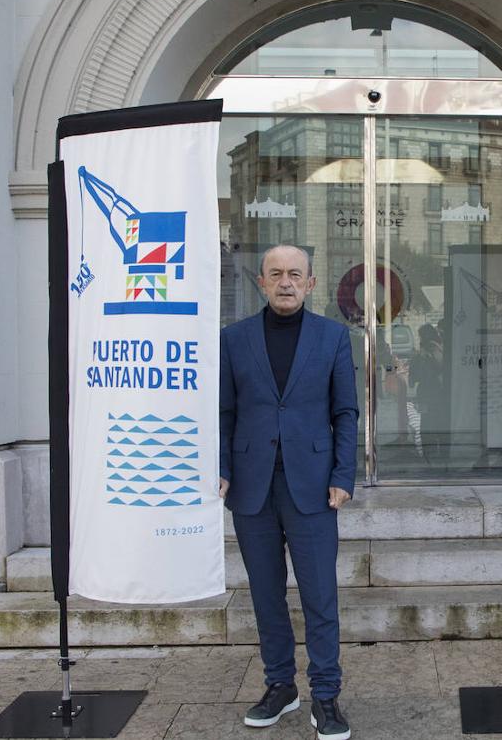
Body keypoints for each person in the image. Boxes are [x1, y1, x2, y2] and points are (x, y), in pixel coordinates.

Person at [219, 244, 358, 740]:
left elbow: (345, 412)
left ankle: (326, 696)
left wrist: (344, 475)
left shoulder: (333, 338)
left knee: (320, 596)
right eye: (275, 274)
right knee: (266, 596)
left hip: (315, 487)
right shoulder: (233, 340)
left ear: (310, 282)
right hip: (252, 487)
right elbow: (224, 413)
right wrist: (221, 466)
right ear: (261, 281)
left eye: (294, 274)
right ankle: (281, 686)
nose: (285, 282)